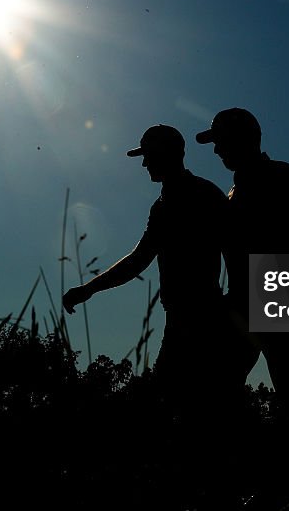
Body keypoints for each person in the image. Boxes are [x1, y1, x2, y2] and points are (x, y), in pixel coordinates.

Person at [62, 124, 228, 414]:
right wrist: (89, 289)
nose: (144, 163)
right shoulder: (162, 206)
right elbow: (139, 259)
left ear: (167, 154)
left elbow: (236, 251)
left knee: (187, 405)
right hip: (180, 319)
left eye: (148, 155)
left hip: (203, 320)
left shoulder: (203, 195)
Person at [196, 107, 289, 418]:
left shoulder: (279, 175)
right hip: (243, 302)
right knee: (216, 392)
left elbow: (275, 237)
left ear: (244, 139)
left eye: (222, 141)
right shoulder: (235, 189)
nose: (218, 150)